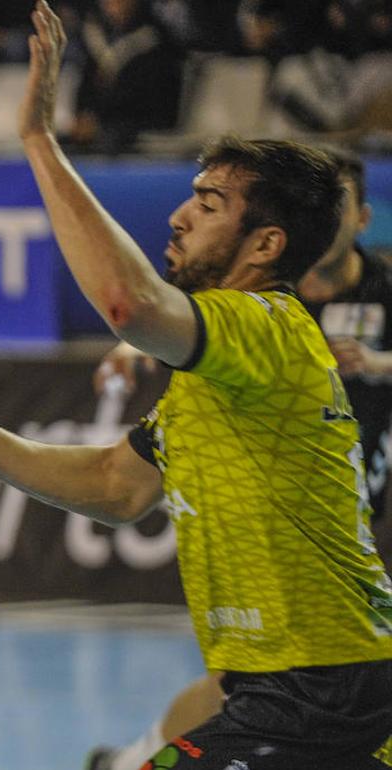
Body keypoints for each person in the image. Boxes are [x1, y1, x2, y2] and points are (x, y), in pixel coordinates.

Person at [0, 2, 392, 768]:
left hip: (323, 692)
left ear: (266, 244)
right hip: (301, 689)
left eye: (208, 205)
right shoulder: (221, 373)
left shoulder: (264, 323)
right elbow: (115, 485)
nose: (177, 217)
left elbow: (127, 303)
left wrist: (39, 142)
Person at [85, 146, 391, 770]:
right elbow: (193, 326)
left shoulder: (377, 291)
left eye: (341, 204)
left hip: (356, 516)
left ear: (360, 219)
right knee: (240, 683)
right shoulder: (272, 301)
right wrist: (138, 343)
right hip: (296, 526)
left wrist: (379, 363)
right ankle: (137, 756)